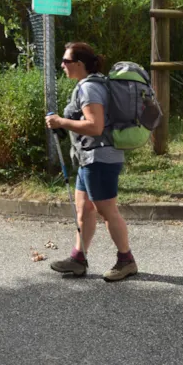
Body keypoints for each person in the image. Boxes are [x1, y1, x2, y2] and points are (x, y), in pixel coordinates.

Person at [45, 42, 137, 282]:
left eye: (66, 61)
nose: (62, 65)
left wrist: (61, 122)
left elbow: (95, 126)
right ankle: (78, 259)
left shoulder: (89, 89)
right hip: (90, 157)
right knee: (84, 208)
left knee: (107, 212)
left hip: (100, 158)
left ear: (79, 64)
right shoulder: (90, 84)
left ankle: (126, 260)